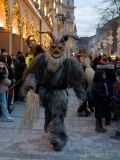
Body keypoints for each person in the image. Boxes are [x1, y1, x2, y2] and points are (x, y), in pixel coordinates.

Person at [21, 34, 87, 151]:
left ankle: (57, 137)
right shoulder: (41, 59)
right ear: (49, 48)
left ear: (63, 49)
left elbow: (76, 80)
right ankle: (48, 125)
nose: (56, 51)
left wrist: (81, 94)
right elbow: (32, 74)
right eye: (53, 48)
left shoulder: (69, 63)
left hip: (59, 93)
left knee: (58, 115)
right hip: (45, 92)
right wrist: (30, 86)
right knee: (48, 112)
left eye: (60, 48)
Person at [0, 54, 14, 122]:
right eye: (5, 58)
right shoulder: (1, 65)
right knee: (3, 102)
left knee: (3, 102)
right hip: (2, 87)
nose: (6, 59)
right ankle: (6, 116)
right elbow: (2, 78)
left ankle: (5, 116)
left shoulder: (3, 65)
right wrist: (10, 82)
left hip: (2, 87)